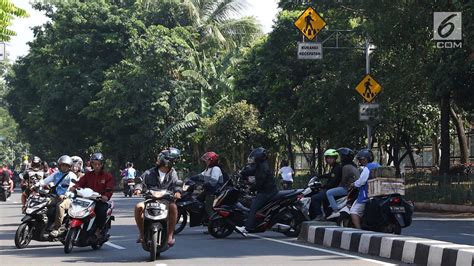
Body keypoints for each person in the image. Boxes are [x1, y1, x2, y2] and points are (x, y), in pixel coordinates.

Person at [133, 148, 182, 246]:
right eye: (172, 160)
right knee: (138, 207)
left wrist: (177, 192)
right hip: (150, 200)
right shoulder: (149, 172)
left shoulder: (173, 173)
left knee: (174, 207)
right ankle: (142, 234)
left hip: (166, 201)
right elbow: (141, 182)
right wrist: (138, 189)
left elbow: (177, 184)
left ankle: (170, 235)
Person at [235, 147, 278, 237]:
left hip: (267, 192)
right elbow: (252, 171)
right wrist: (242, 173)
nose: (253, 159)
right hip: (266, 190)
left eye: (254, 157)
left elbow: (260, 183)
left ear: (258, 157)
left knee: (254, 207)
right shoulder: (260, 165)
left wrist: (250, 189)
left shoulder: (263, 167)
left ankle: (247, 228)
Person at [70, 153, 114, 238]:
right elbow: (80, 183)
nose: (97, 166)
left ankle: (99, 230)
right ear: (91, 164)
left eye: (99, 164)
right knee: (74, 207)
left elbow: (110, 188)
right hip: (87, 199)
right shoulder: (88, 175)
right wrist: (74, 187)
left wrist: (106, 196)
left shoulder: (107, 176)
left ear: (102, 164)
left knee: (101, 212)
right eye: (94, 164)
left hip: (100, 200)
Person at [38, 155, 77, 237]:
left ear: (70, 167)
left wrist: (65, 195)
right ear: (59, 166)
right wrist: (36, 185)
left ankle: (56, 228)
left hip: (68, 198)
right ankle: (43, 223)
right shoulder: (56, 174)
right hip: (56, 196)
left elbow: (72, 187)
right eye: (63, 165)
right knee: (43, 202)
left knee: (60, 206)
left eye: (66, 166)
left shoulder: (72, 175)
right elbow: (45, 181)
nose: (64, 167)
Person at [350, 149, 380, 229]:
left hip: (367, 195)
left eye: (360, 159)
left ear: (365, 159)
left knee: (354, 212)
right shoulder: (377, 165)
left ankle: (359, 230)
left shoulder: (367, 168)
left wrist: (354, 184)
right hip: (379, 194)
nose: (360, 161)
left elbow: (361, 181)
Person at [309, 149, 342, 220]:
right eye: (327, 158)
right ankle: (327, 214)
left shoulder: (337, 168)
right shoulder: (335, 167)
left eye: (331, 158)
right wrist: (319, 176)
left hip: (333, 189)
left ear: (335, 158)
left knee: (315, 198)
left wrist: (322, 186)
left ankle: (319, 215)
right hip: (332, 188)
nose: (329, 160)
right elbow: (330, 175)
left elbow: (333, 182)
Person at [190, 152, 223, 218]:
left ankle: (215, 222)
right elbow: (200, 176)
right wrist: (190, 179)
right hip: (208, 190)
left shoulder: (216, 169)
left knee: (209, 208)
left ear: (212, 160)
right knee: (197, 200)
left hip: (213, 192)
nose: (205, 161)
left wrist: (202, 186)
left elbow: (213, 182)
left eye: (207, 160)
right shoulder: (208, 169)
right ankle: (205, 217)